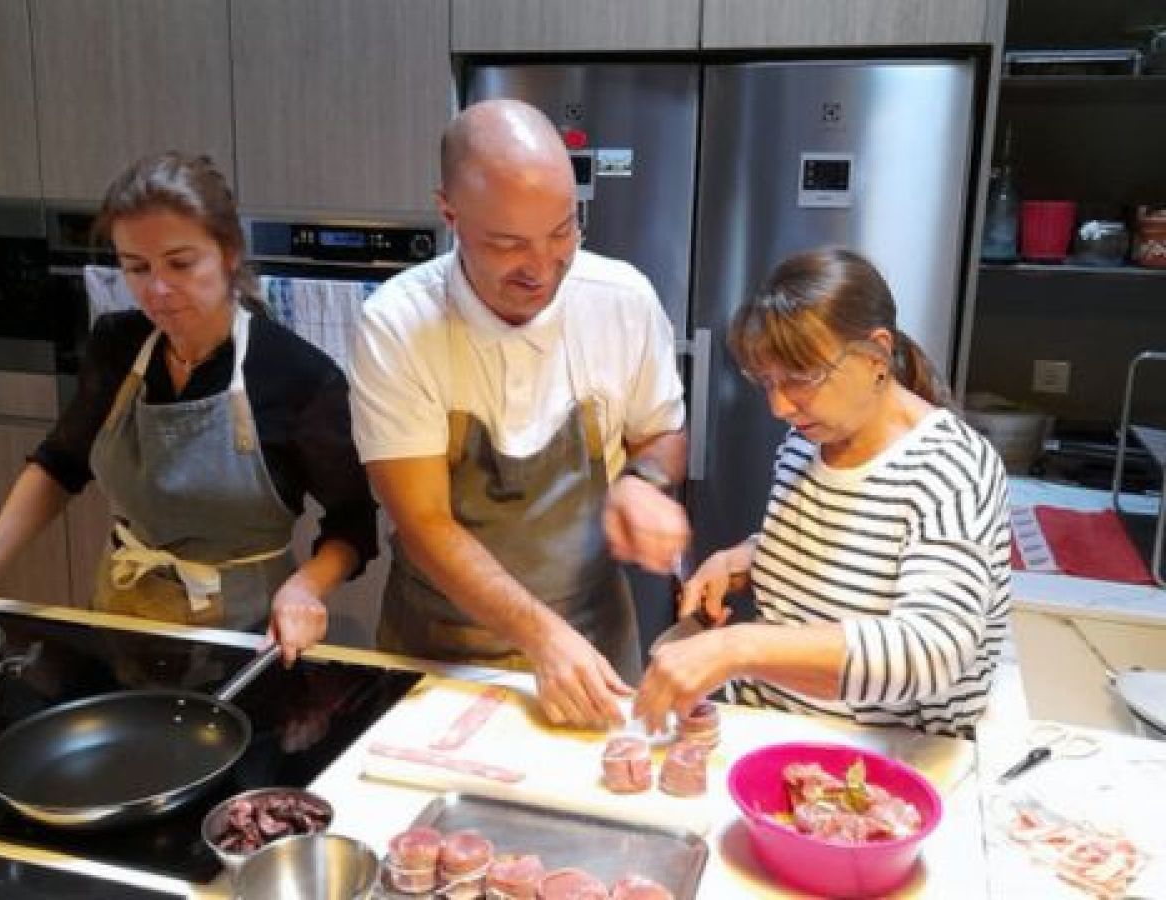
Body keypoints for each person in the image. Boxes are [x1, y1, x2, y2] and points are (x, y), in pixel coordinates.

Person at [349, 98, 689, 729]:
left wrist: (648, 484)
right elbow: (423, 523)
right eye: (508, 244)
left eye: (562, 231)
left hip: (592, 645)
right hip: (440, 655)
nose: (542, 267)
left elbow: (660, 430)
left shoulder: (622, 300)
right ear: (449, 213)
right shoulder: (397, 325)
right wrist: (540, 636)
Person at [0, 153, 377, 666]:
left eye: (180, 263)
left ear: (228, 253)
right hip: (119, 624)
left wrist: (305, 587)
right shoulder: (117, 346)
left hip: (244, 642)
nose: (156, 289)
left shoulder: (297, 376)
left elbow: (354, 525)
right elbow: (60, 464)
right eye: (136, 268)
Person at [634, 247, 1011, 738]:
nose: (779, 406)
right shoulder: (808, 441)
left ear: (876, 353)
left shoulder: (953, 467)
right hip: (775, 731)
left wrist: (735, 649)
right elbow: (846, 545)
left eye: (801, 378)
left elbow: (932, 648)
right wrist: (746, 556)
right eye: (766, 382)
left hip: (888, 758)